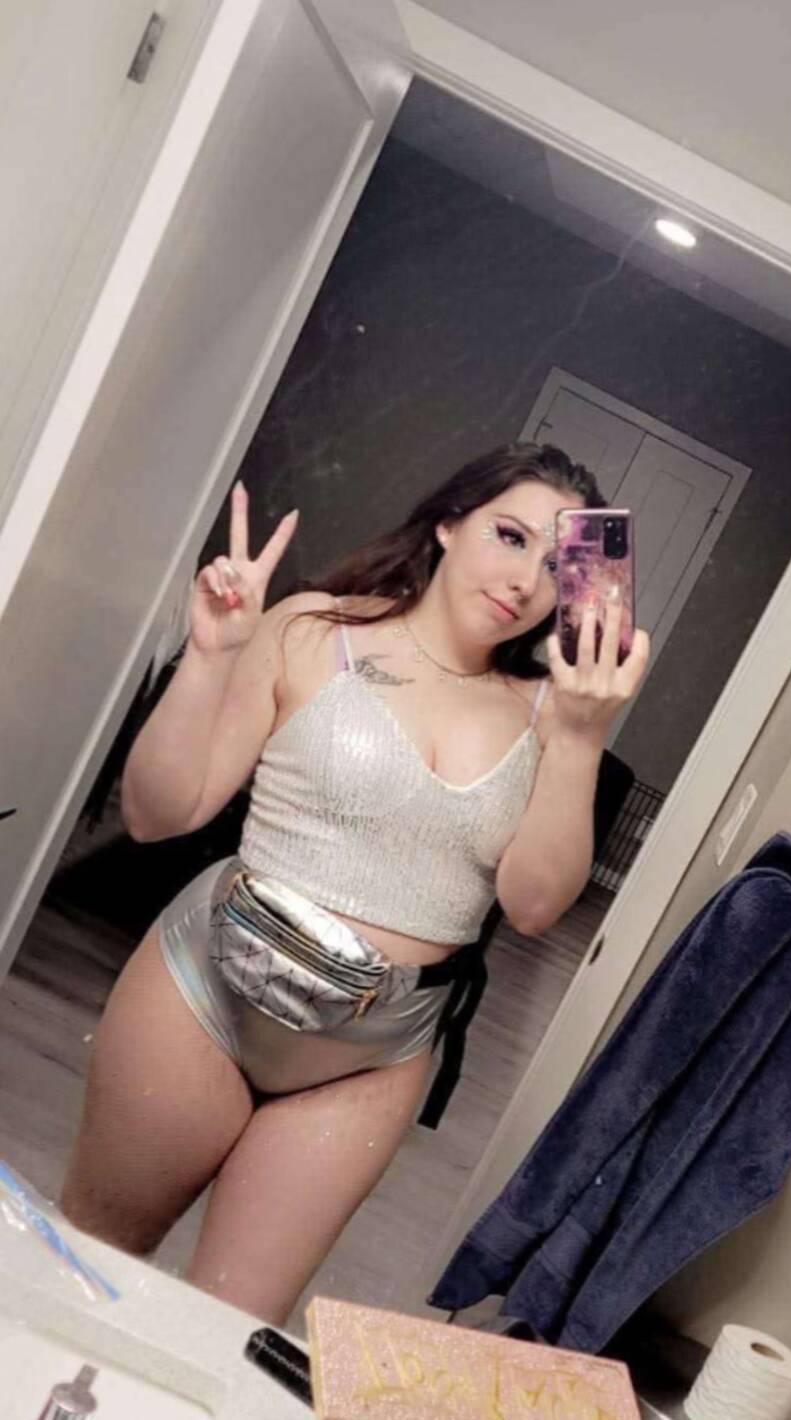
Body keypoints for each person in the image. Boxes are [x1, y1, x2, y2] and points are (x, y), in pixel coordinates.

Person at [60, 443, 650, 1324]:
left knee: (224, 1332)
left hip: (371, 1057)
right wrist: (211, 657)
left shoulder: (548, 712)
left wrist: (580, 736)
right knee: (87, 1263)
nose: (525, 581)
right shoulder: (313, 628)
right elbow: (157, 813)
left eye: (555, 565)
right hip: (202, 995)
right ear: (449, 523)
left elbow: (533, 906)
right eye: (509, 535)